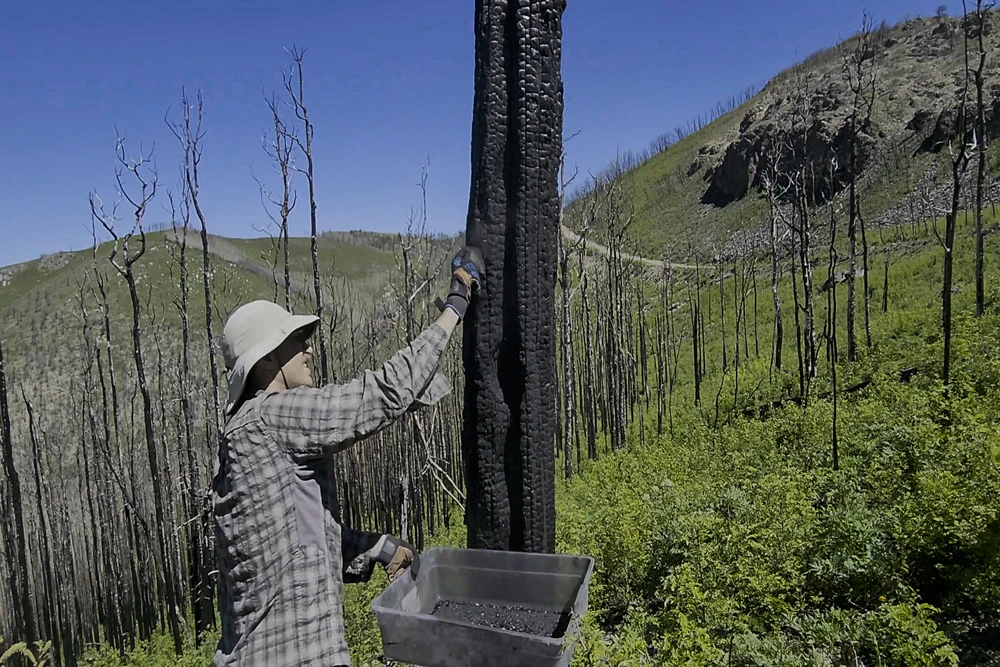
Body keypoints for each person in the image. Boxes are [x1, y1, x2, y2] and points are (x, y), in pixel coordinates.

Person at [212, 247, 483, 666]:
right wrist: (455, 305)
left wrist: (377, 547)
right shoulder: (273, 415)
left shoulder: (240, 437)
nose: (309, 350)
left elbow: (296, 547)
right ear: (266, 362)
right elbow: (380, 394)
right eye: (298, 341)